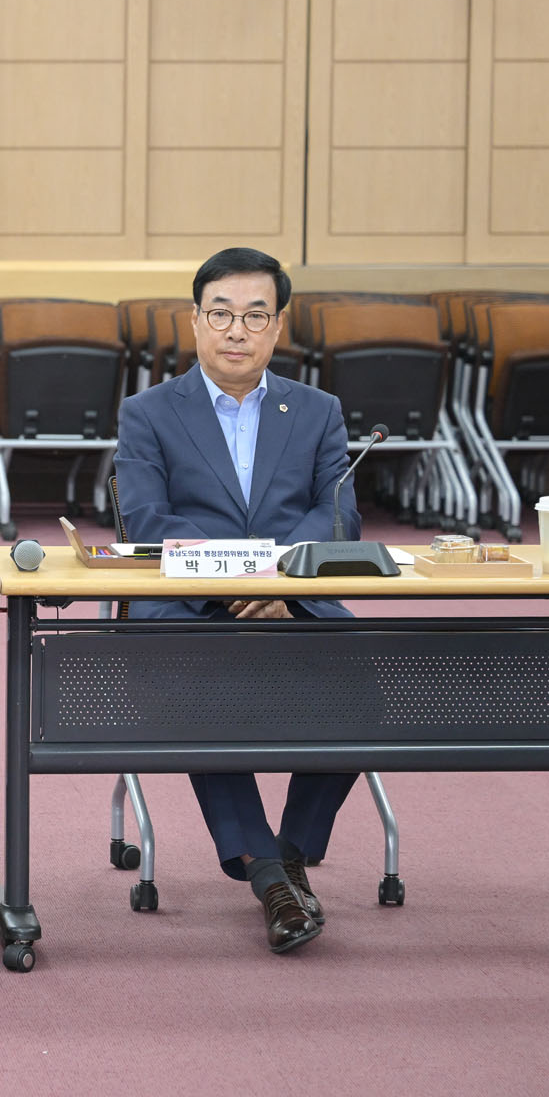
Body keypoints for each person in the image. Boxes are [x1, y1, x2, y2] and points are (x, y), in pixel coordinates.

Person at [113, 246, 360, 955]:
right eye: (220, 314)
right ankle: (268, 874)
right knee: (200, 688)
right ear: (195, 321)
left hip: (294, 600)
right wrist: (237, 579)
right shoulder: (148, 412)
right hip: (190, 607)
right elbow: (149, 519)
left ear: (278, 326)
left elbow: (338, 516)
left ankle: (290, 852)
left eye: (255, 316)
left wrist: (277, 582)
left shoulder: (317, 411)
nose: (236, 331)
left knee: (363, 677)